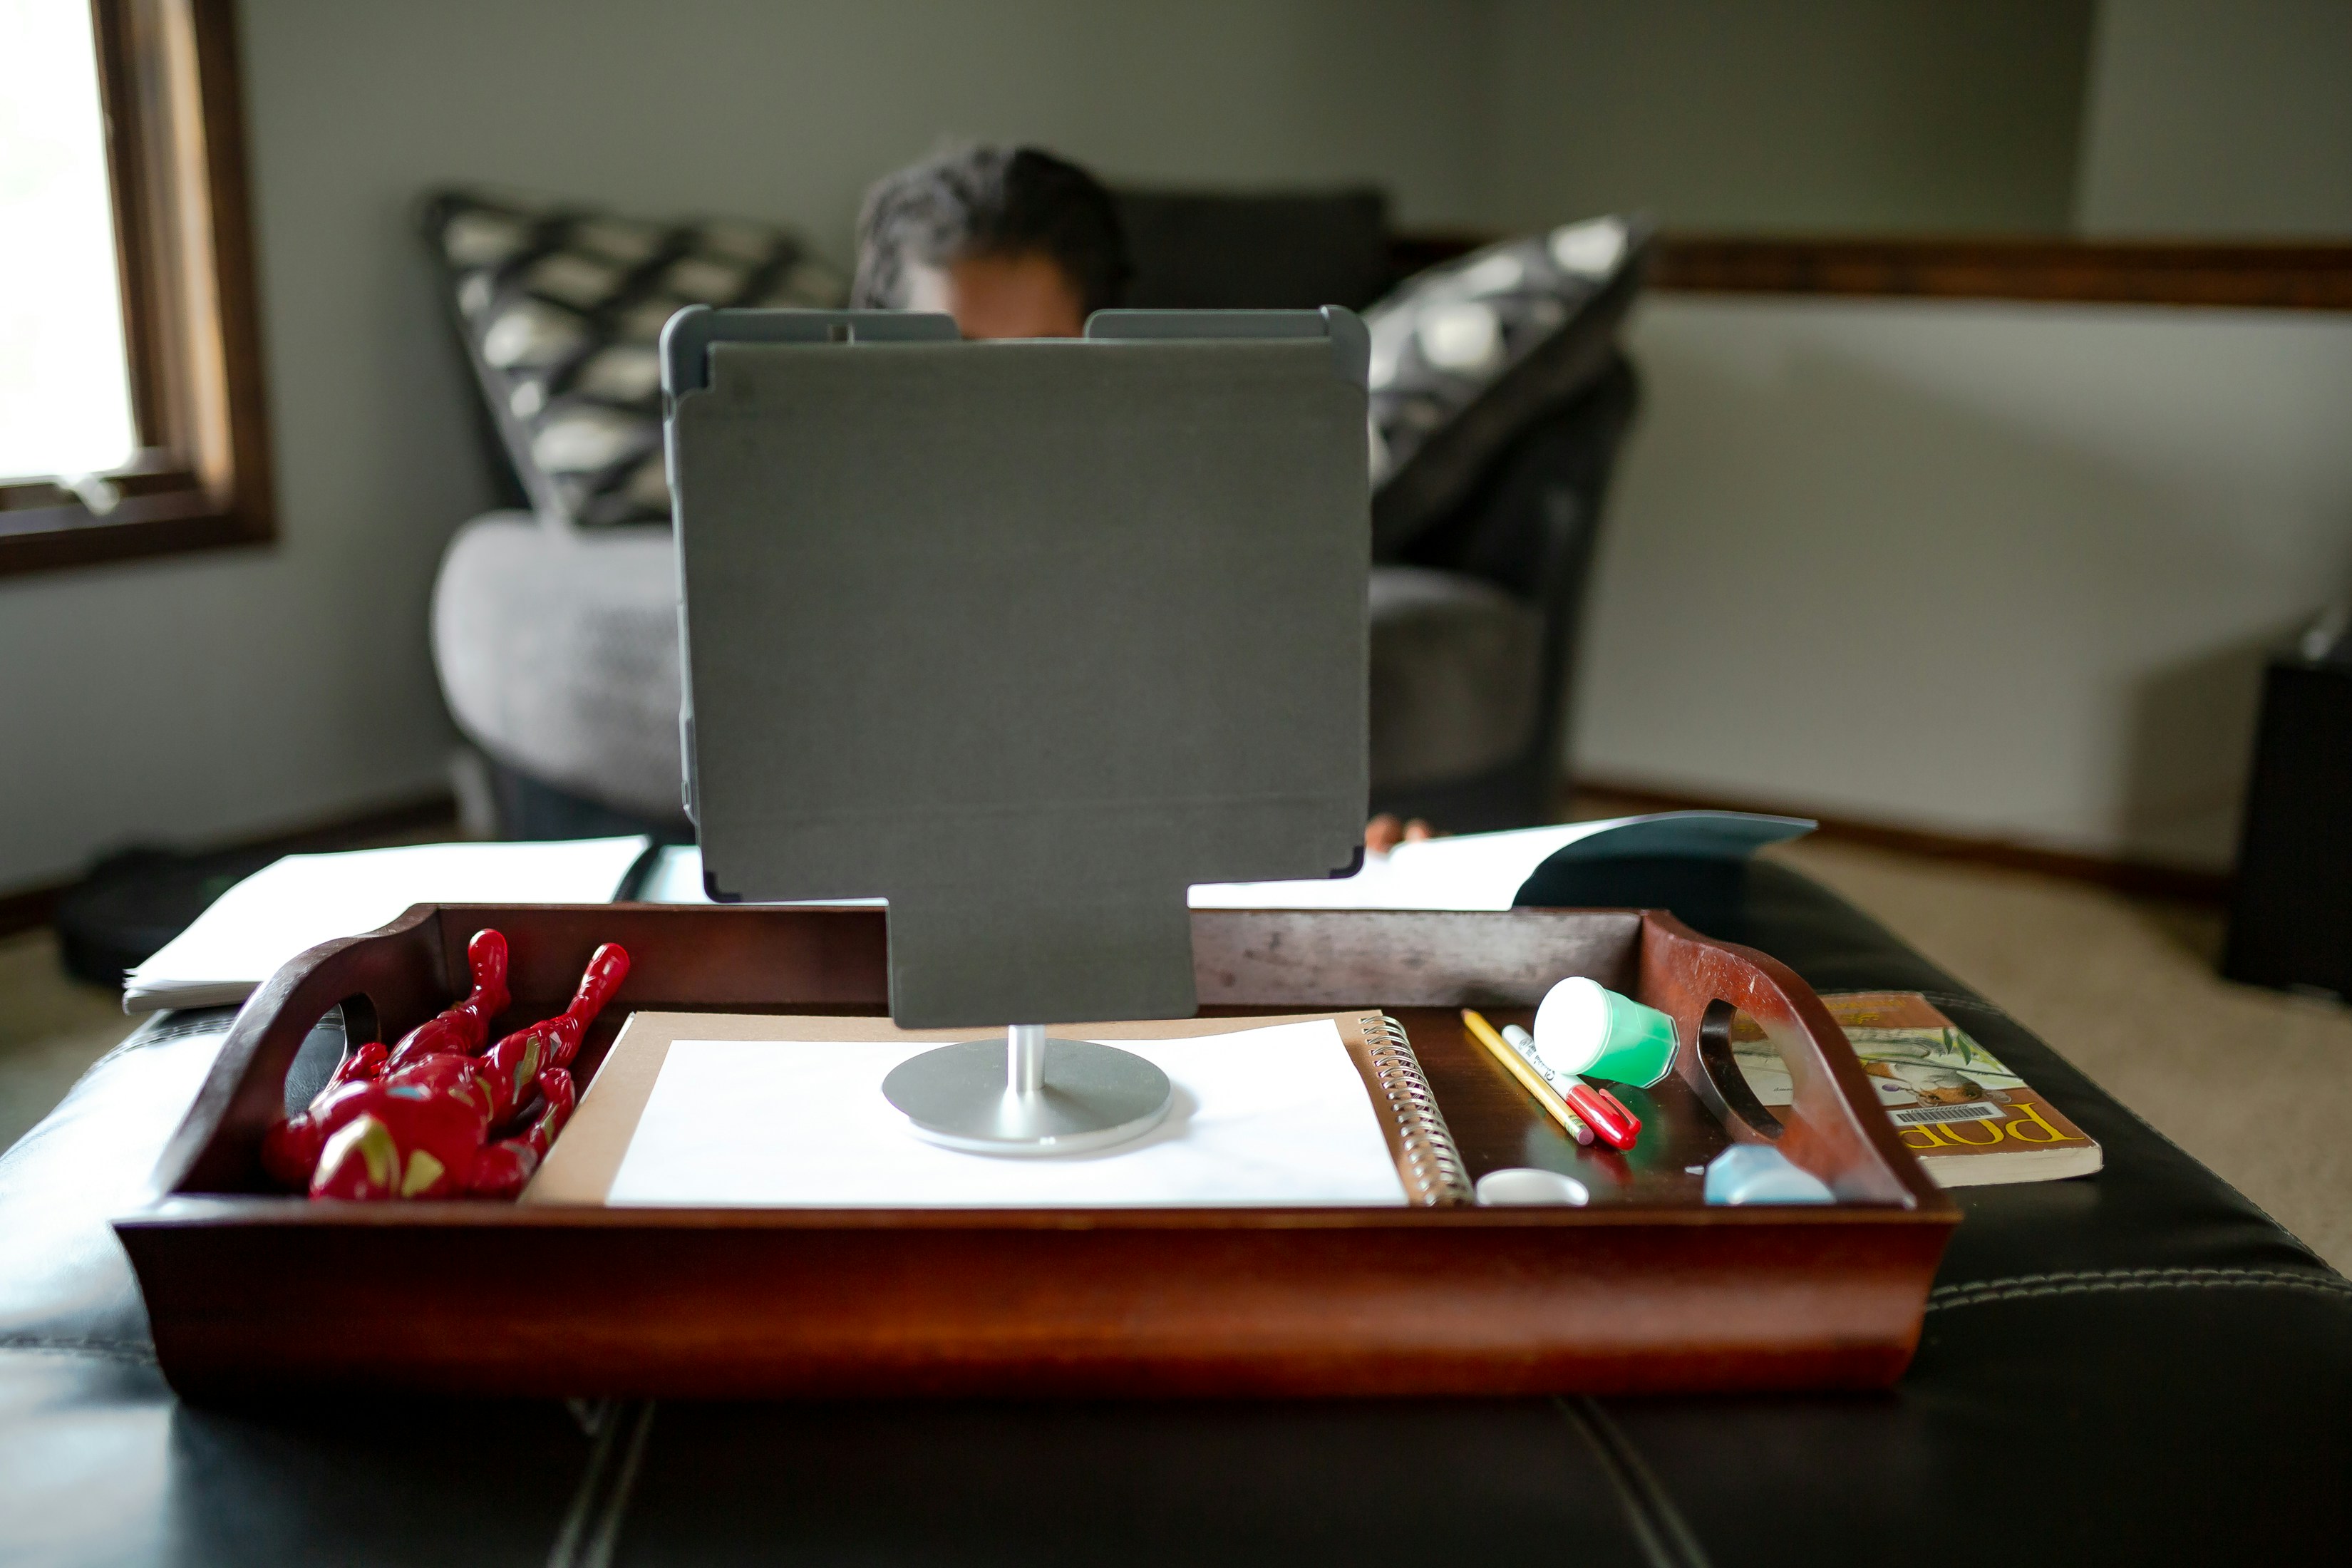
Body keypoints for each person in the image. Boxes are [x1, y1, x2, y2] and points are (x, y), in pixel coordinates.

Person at [852, 143, 1437, 856]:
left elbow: (1259, 801)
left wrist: (1347, 852)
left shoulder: (1193, 540)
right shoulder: (830, 551)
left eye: (1039, 360)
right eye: (954, 360)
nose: (997, 412)